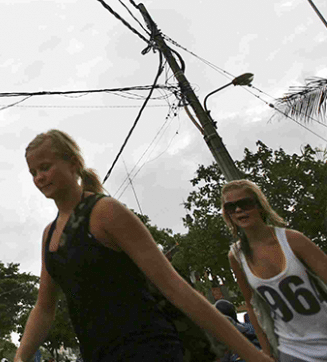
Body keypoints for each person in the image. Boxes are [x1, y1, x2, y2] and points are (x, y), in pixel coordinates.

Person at [14, 129, 273, 362]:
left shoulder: (105, 212)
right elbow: (43, 308)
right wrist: (19, 358)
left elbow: (173, 286)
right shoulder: (50, 235)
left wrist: (253, 355)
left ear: (72, 163)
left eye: (45, 167)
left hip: (151, 350)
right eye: (33, 172)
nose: (39, 177)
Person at [224, 179, 327, 362]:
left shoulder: (293, 240)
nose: (239, 210)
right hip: (292, 351)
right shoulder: (236, 256)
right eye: (231, 207)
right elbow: (251, 304)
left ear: (260, 206)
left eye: (244, 204)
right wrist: (266, 352)